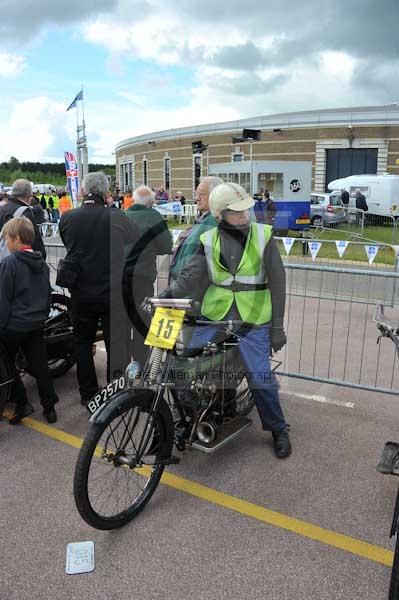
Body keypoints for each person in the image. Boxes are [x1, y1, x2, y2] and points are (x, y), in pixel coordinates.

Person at [161, 182, 291, 458]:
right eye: (237, 213)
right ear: (219, 215)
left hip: (253, 318)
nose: (245, 216)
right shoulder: (208, 240)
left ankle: (278, 428)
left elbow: (278, 283)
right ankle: (194, 412)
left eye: (246, 211)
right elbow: (191, 276)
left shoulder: (263, 236)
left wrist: (277, 327)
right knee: (185, 361)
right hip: (216, 315)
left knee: (259, 375)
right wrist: (165, 296)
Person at [59, 172, 139, 405]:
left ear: (83, 191)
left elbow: (69, 243)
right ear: (106, 194)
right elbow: (134, 237)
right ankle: (117, 390)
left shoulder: (68, 218)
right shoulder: (116, 217)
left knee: (82, 343)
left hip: (81, 292)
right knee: (116, 343)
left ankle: (88, 393)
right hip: (112, 292)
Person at [0, 217, 59, 424]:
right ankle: (50, 407)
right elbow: (47, 294)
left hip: (14, 324)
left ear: (16, 239)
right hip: (36, 322)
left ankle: (21, 401)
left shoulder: (9, 263)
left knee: (7, 365)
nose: (5, 242)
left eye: (6, 237)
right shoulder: (41, 263)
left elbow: (4, 299)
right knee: (40, 364)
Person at [123, 185, 173, 368]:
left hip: (119, 278)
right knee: (142, 323)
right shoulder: (154, 217)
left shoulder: (123, 216)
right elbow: (166, 246)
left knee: (123, 324)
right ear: (151, 203)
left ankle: (122, 367)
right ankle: (141, 364)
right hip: (143, 278)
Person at [169, 176, 223, 287]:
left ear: (216, 196)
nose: (196, 198)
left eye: (201, 194)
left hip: (189, 291)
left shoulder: (212, 222)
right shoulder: (204, 220)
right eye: (196, 194)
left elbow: (195, 263)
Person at [0, 179, 46, 257]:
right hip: (20, 259)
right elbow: (34, 239)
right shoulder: (25, 212)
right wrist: (40, 257)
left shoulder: (2, 209)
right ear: (29, 194)